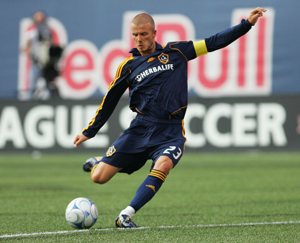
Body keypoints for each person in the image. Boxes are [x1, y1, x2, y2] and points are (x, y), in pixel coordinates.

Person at [74, 7, 267, 228]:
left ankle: (125, 216)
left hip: (170, 131)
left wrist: (246, 24)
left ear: (155, 33)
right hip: (140, 128)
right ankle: (99, 162)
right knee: (98, 178)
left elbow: (214, 42)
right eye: (135, 35)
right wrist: (89, 132)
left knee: (163, 165)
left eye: (144, 34)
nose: (139, 39)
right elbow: (108, 102)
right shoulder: (127, 67)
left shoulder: (178, 51)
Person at [23, 10, 62, 99]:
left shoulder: (47, 30)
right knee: (34, 80)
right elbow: (26, 47)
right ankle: (30, 99)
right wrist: (34, 55)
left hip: (46, 62)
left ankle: (53, 98)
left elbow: (51, 44)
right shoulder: (32, 31)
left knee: (49, 80)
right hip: (37, 61)